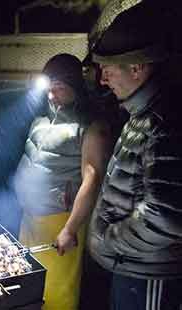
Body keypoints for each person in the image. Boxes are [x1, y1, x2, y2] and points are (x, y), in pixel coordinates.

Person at [88, 3, 182, 310]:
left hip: (149, 275)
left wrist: (108, 240)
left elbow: (165, 216)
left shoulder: (164, 122)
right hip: (133, 268)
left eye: (108, 69)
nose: (102, 80)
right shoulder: (141, 113)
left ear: (137, 67)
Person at [12, 53, 112, 310]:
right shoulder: (41, 120)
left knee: (56, 291)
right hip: (29, 216)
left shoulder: (91, 126)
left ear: (76, 88)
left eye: (60, 88)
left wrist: (70, 229)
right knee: (27, 283)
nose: (52, 95)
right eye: (49, 88)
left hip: (60, 220)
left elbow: (93, 178)